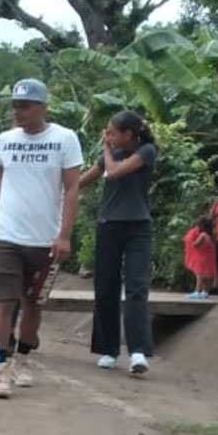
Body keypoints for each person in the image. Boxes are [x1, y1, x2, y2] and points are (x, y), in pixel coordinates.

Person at [0, 78, 83, 398]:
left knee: (32, 304)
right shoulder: (5, 140)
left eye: (25, 106)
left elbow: (71, 188)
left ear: (43, 107)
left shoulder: (64, 139)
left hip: (45, 238)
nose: (19, 112)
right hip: (5, 234)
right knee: (3, 301)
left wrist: (64, 235)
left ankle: (23, 357)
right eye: (15, 106)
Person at [79, 110, 157, 374]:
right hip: (108, 226)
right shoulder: (109, 157)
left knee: (136, 287)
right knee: (105, 287)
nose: (108, 135)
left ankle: (137, 352)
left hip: (138, 226)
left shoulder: (146, 152)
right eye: (107, 132)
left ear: (129, 134)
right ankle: (108, 350)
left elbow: (114, 173)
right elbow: (81, 181)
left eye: (112, 132)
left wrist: (105, 149)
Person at [184, 216, 218, 298]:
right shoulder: (209, 234)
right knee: (203, 276)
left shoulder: (202, 235)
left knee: (199, 275)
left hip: (201, 258)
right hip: (207, 257)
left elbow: (196, 244)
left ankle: (197, 291)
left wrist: (191, 239)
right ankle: (204, 291)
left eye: (198, 225)